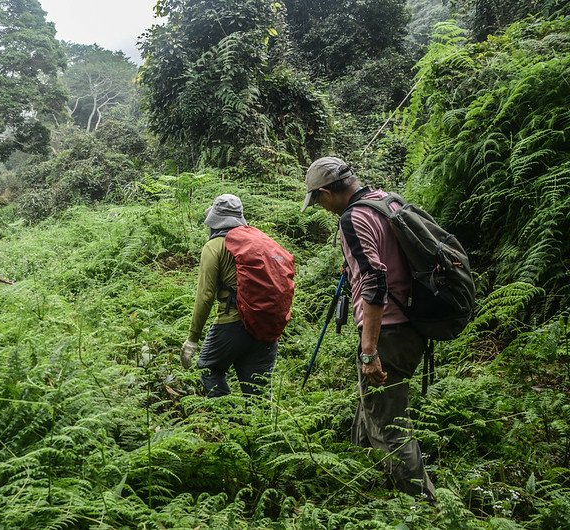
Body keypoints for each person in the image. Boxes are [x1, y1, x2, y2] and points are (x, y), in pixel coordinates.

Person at [301, 156, 437, 502]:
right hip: (413, 325)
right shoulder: (388, 202)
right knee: (374, 407)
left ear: (328, 192)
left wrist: (369, 350)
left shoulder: (354, 217)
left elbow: (376, 281)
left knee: (390, 427)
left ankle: (427, 506)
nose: (320, 207)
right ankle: (363, 475)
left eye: (317, 199)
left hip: (388, 331)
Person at [180, 194, 278, 397]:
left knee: (209, 368)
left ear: (214, 219)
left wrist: (192, 338)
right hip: (267, 323)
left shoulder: (213, 246)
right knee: (256, 391)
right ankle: (258, 428)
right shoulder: (260, 240)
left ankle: (228, 422)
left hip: (232, 321)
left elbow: (205, 295)